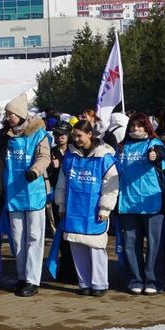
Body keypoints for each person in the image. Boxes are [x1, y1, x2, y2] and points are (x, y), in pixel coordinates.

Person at [54, 122, 117, 296]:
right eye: (74, 135)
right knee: (77, 246)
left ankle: (99, 284)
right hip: (74, 209)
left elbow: (111, 185)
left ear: (90, 134)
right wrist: (61, 204)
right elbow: (62, 182)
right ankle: (84, 283)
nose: (76, 139)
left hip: (95, 211)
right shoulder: (70, 156)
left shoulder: (104, 157)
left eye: (79, 135)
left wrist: (105, 208)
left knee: (96, 248)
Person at [0, 95, 52, 297]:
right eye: (7, 114)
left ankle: (32, 279)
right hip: (13, 193)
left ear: (20, 114)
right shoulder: (5, 136)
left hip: (33, 192)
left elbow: (45, 156)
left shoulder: (38, 133)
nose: (9, 117)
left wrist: (35, 171)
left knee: (35, 237)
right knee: (18, 238)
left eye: (11, 113)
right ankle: (21, 276)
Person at [114, 112, 165, 295]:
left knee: (154, 244)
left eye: (139, 125)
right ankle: (135, 279)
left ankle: (153, 280)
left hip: (151, 202)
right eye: (132, 126)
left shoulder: (153, 144)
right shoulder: (122, 147)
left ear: (147, 127)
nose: (135, 129)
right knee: (131, 243)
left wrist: (156, 156)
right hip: (128, 202)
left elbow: (161, 156)